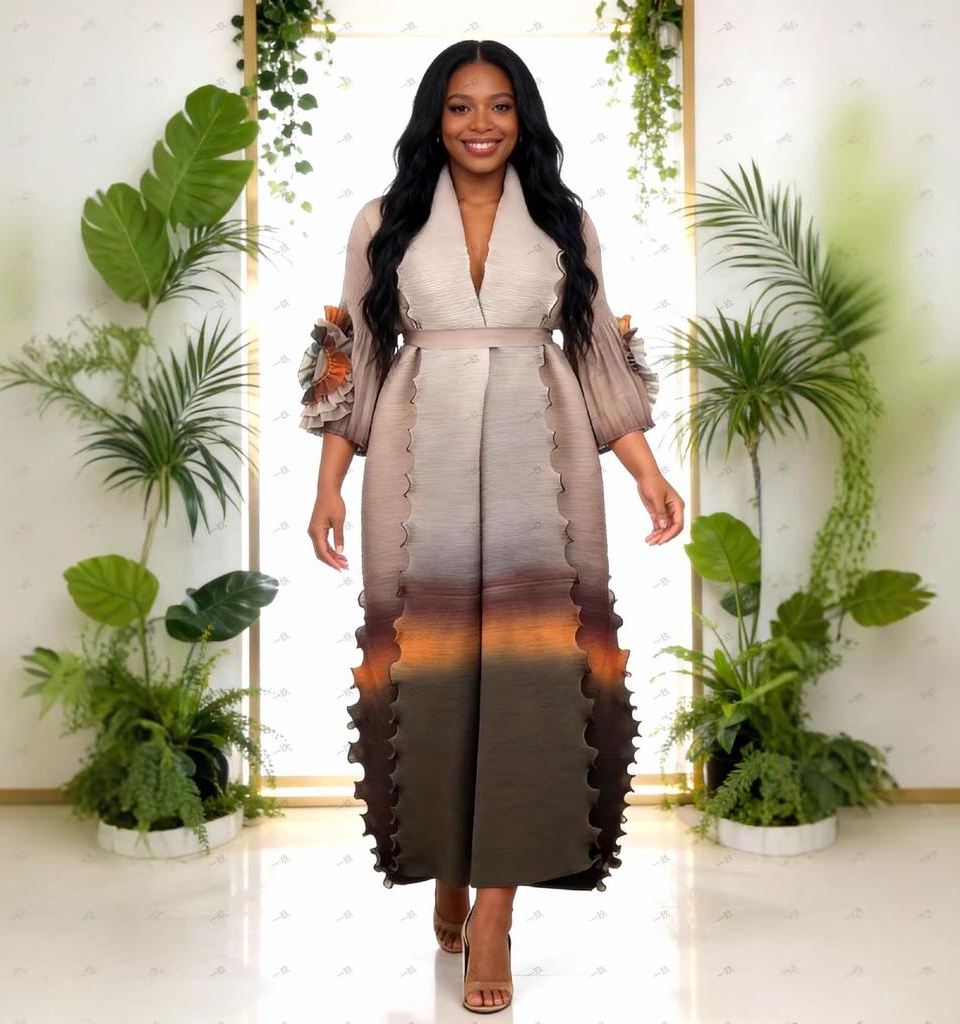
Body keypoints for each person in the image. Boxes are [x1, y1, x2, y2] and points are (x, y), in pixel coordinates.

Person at [299, 39, 685, 1015]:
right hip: (414, 457)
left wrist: (645, 471)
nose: (482, 124)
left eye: (501, 105)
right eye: (462, 106)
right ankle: (445, 861)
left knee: (530, 676)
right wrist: (328, 484)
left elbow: (595, 350)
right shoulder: (382, 220)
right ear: (436, 119)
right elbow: (354, 351)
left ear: (524, 117)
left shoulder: (563, 219)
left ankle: (495, 913)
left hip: (540, 455)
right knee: (426, 673)